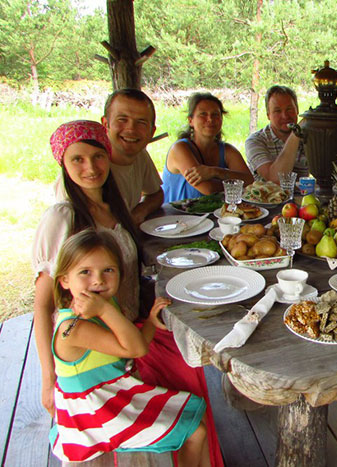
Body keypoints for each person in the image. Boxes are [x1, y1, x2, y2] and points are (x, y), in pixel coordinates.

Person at [32, 120, 224, 465]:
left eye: (97, 156)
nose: (90, 167)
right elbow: (42, 303)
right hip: (100, 348)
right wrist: (49, 380)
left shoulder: (115, 204)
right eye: (77, 159)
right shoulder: (62, 216)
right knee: (187, 378)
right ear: (63, 163)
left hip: (129, 329)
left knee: (192, 361)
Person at [49, 229, 210, 465]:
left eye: (108, 270)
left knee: (195, 411)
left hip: (112, 398)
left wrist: (151, 324)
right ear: (64, 280)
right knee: (196, 430)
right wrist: (106, 311)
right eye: (85, 272)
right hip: (93, 417)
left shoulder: (102, 306)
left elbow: (134, 342)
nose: (98, 280)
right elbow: (137, 350)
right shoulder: (74, 328)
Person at [54, 89, 163, 226]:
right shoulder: (84, 173)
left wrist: (139, 212)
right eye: (122, 120)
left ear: (152, 131)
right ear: (105, 124)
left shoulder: (140, 155)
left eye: (141, 122)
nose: (131, 129)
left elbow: (156, 194)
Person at [162, 92, 253, 203]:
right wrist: (234, 184)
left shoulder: (227, 151)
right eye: (203, 114)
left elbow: (250, 181)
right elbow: (208, 189)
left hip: (212, 216)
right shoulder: (180, 149)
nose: (210, 119)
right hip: (176, 217)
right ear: (191, 121)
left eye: (215, 114)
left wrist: (216, 172)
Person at [245, 85, 306, 182]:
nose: (285, 116)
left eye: (289, 109)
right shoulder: (255, 141)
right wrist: (295, 134)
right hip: (268, 196)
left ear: (297, 110)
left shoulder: (308, 137)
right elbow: (274, 179)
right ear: (268, 115)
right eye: (277, 111)